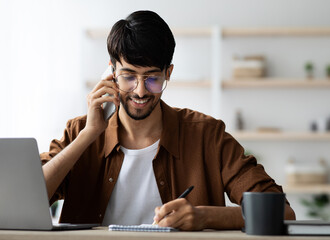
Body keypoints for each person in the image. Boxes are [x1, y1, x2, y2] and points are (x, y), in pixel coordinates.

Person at [41, 10, 295, 230]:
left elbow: (283, 212)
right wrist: (89, 134)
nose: (140, 91)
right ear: (111, 71)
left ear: (168, 73)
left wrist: (204, 216)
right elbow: (25, 199)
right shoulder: (79, 132)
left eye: (153, 78)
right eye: (128, 76)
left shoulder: (207, 135)